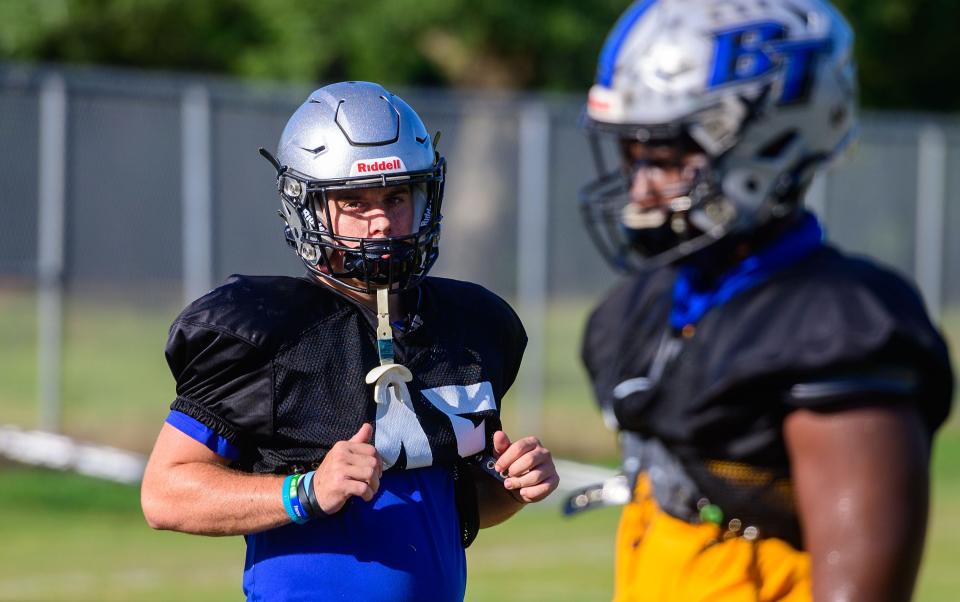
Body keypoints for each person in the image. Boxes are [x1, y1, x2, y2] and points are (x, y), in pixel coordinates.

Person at [571, 1, 954, 600]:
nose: (640, 186)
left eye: (668, 157)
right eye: (632, 154)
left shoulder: (835, 323)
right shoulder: (647, 304)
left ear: (769, 140)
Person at [140, 81, 559, 602]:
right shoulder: (268, 330)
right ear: (307, 208)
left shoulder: (471, 327)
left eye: (396, 196)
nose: (381, 220)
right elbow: (165, 493)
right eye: (354, 201)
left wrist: (511, 487)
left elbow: (457, 507)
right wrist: (305, 490)